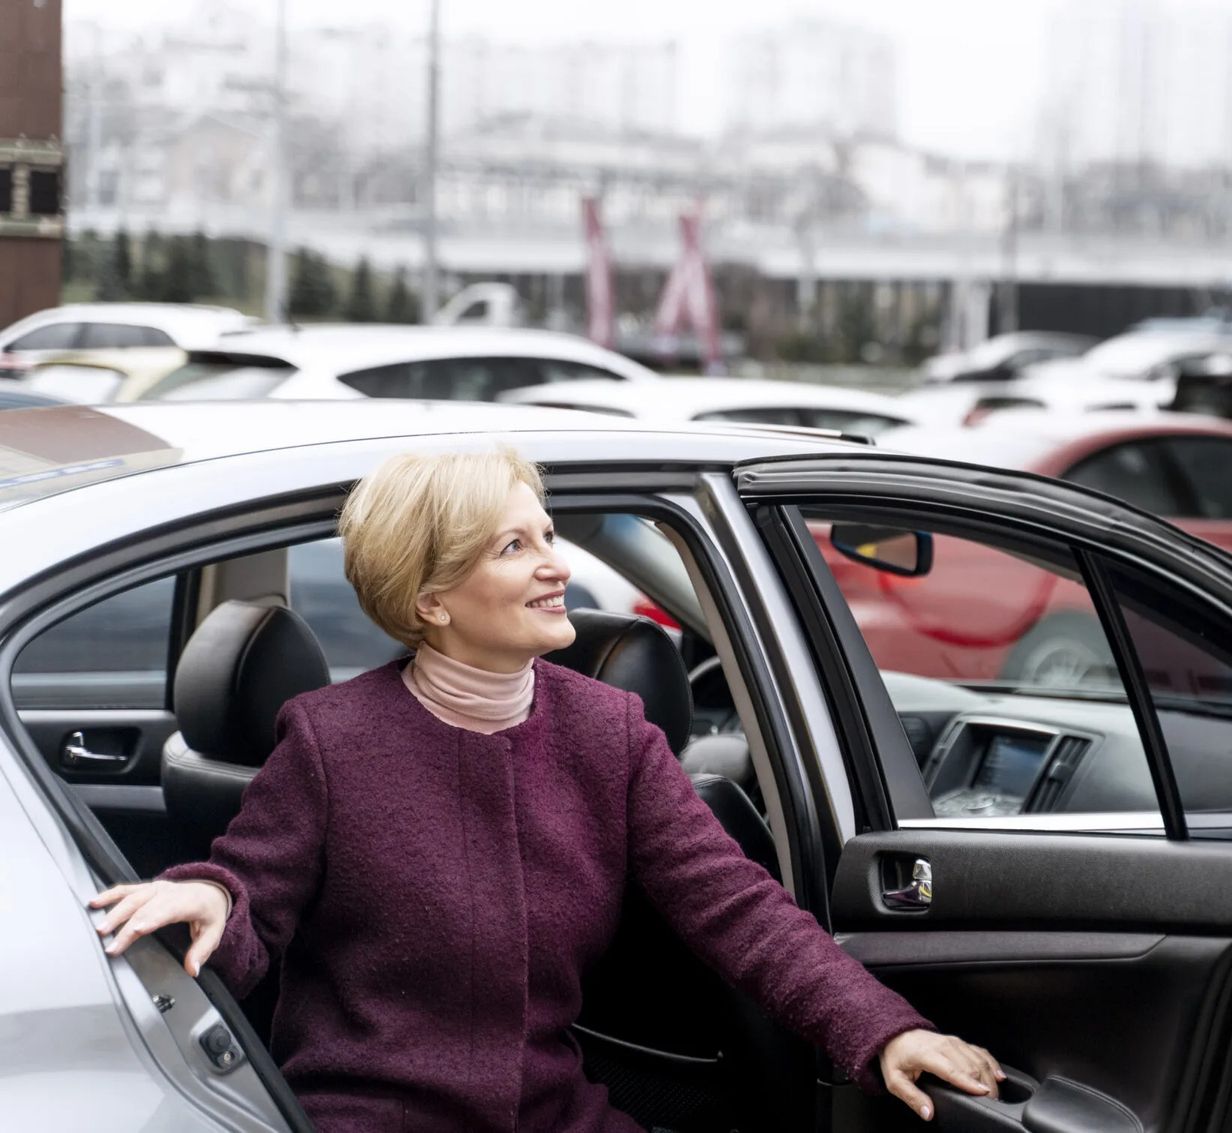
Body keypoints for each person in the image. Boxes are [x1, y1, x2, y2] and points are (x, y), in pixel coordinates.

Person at [88, 448, 1003, 1131]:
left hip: (557, 1117)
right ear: (433, 600)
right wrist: (208, 894)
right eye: (514, 545)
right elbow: (249, 895)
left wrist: (881, 1030)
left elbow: (740, 911)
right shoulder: (332, 740)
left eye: (550, 534)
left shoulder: (611, 734)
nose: (556, 562)